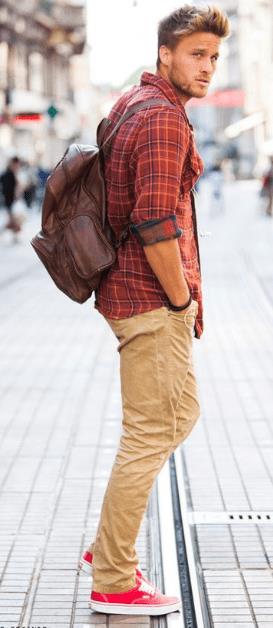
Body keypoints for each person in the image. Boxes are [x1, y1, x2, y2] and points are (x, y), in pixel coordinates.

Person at [80, 4, 230, 616]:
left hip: (128, 294)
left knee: (178, 414)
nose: (208, 67)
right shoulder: (164, 120)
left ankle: (108, 541)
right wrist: (180, 296)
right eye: (197, 54)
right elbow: (153, 220)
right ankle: (115, 577)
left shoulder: (132, 103)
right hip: (149, 299)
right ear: (166, 53)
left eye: (215, 57)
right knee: (149, 435)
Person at [0, 156, 22, 239]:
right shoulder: (7, 174)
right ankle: (13, 235)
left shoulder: (13, 174)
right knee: (13, 221)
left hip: (12, 201)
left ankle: (15, 236)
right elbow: (7, 190)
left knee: (13, 221)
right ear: (13, 164)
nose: (18, 167)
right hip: (9, 201)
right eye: (17, 165)